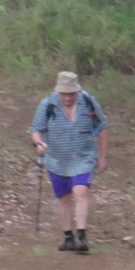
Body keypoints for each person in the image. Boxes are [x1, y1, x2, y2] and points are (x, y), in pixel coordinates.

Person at [29, 71, 110, 253]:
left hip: (84, 157)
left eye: (71, 94)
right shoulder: (48, 104)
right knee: (64, 198)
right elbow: (35, 129)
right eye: (63, 94)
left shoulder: (88, 102)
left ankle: (82, 236)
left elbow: (102, 127)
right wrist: (39, 143)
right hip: (57, 160)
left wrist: (103, 157)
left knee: (81, 192)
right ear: (58, 91)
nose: (67, 98)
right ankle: (68, 237)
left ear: (76, 91)